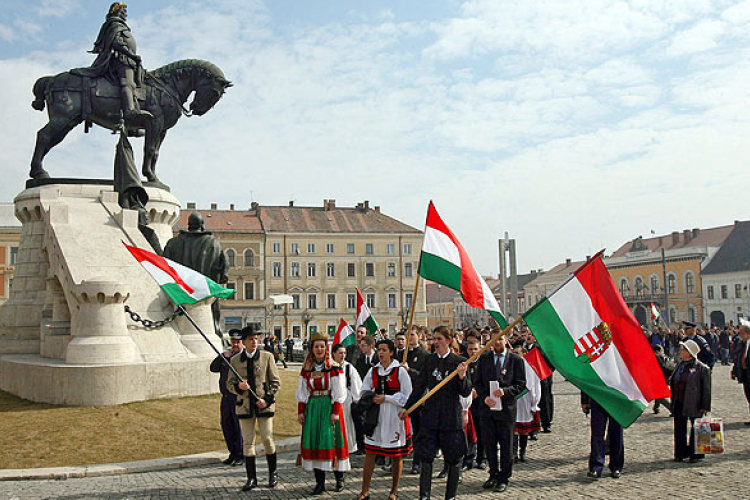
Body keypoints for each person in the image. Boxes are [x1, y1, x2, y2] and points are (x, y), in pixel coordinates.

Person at [400, 326, 471, 500]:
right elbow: (419, 387)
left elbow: (466, 391)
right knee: (426, 457)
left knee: (453, 458)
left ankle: (450, 496)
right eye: (433, 339)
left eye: (439, 339)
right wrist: (408, 407)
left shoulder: (459, 361)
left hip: (450, 417)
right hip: (431, 416)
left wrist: (462, 377)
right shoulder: (429, 360)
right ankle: (424, 496)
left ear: (448, 340)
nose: (435, 342)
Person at [75, 2, 152, 124]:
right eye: (123, 11)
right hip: (121, 60)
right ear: (118, 11)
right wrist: (131, 55)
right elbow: (116, 42)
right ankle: (129, 111)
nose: (125, 14)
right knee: (128, 83)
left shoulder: (119, 25)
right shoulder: (114, 24)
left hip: (127, 60)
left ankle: (132, 123)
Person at [226, 325, 282, 491]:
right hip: (244, 407)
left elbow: (276, 383)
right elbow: (229, 384)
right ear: (243, 342)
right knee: (248, 442)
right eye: (251, 339)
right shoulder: (235, 361)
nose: (254, 342)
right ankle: (252, 478)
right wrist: (239, 387)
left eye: (256, 339)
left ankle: (273, 473)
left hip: (264, 406)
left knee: (266, 438)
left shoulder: (267, 357)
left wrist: (267, 399)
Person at [356, 339, 413, 500]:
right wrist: (371, 397)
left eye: (384, 350)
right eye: (379, 349)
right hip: (376, 416)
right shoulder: (373, 371)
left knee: (396, 455)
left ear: (391, 352)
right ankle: (365, 491)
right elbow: (364, 390)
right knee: (370, 452)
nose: (381, 353)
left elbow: (407, 395)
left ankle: (394, 491)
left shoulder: (399, 371)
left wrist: (387, 398)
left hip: (394, 415)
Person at [296, 332, 350, 495]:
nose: (319, 349)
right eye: (316, 346)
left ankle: (339, 478)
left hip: (329, 407)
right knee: (316, 442)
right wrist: (301, 411)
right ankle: (320, 483)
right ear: (311, 349)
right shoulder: (307, 369)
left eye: (322, 346)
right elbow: (302, 391)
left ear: (326, 348)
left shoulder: (334, 368)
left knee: (331, 440)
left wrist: (335, 412)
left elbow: (340, 393)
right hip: (313, 408)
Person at [473, 328, 526, 493]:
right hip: (488, 409)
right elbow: (478, 382)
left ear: (506, 341)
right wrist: (483, 397)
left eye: (500, 339)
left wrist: (506, 392)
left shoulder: (515, 360)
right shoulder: (484, 359)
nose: (497, 343)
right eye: (493, 340)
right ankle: (493, 474)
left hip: (506, 410)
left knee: (506, 445)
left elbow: (521, 385)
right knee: (489, 443)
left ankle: (504, 476)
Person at [162, 212, 229, 336]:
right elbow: (224, 273)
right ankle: (216, 330)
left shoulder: (173, 243)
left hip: (179, 297)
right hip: (205, 296)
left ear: (188, 225)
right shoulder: (213, 243)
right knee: (213, 324)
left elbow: (163, 267)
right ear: (202, 225)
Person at [670, 339, 711, 462]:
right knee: (679, 428)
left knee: (696, 428)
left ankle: (696, 454)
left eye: (683, 350)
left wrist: (705, 406)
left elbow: (706, 389)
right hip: (679, 401)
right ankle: (680, 452)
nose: (680, 352)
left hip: (694, 402)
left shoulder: (702, 368)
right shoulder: (680, 365)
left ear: (690, 352)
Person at [209, 329, 244, 466]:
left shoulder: (243, 359)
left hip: (238, 397)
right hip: (226, 396)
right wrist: (222, 356)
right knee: (226, 425)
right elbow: (213, 368)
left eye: (238, 342)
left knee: (238, 426)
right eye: (233, 342)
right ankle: (232, 452)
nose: (235, 345)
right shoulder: (226, 356)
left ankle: (240, 454)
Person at [403, 326, 431, 475]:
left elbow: (423, 377)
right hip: (403, 396)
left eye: (412, 334)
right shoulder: (403, 353)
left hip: (418, 397)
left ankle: (417, 462)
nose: (410, 337)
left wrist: (410, 371)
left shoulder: (424, 355)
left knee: (418, 430)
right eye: (408, 335)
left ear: (419, 336)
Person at [581, 390, 623, 479]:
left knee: (616, 433)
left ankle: (616, 466)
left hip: (617, 397)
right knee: (597, 433)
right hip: (598, 396)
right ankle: (596, 467)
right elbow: (587, 377)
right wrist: (585, 400)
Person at [331, 343, 363, 455]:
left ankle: (347, 447)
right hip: (331, 398)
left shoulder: (349, 367)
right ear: (334, 354)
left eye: (344, 353)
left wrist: (357, 401)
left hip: (346, 399)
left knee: (346, 424)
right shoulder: (329, 366)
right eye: (340, 353)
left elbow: (356, 385)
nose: (343, 355)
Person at [512, 346, 541, 463]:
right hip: (514, 401)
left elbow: (536, 387)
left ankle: (522, 451)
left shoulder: (530, 368)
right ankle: (513, 453)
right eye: (513, 352)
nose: (515, 355)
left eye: (518, 353)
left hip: (525, 401)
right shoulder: (510, 365)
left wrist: (535, 404)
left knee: (524, 430)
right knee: (513, 429)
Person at [731, 324, 750, 425]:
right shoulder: (741, 343)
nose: (740, 335)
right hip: (745, 374)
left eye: (742, 333)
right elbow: (738, 357)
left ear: (748, 333)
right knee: (748, 395)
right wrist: (734, 371)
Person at [652, 345, 675, 415]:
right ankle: (656, 407)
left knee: (659, 395)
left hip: (660, 378)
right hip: (664, 377)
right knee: (658, 393)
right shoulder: (661, 357)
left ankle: (672, 409)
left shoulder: (656, 357)